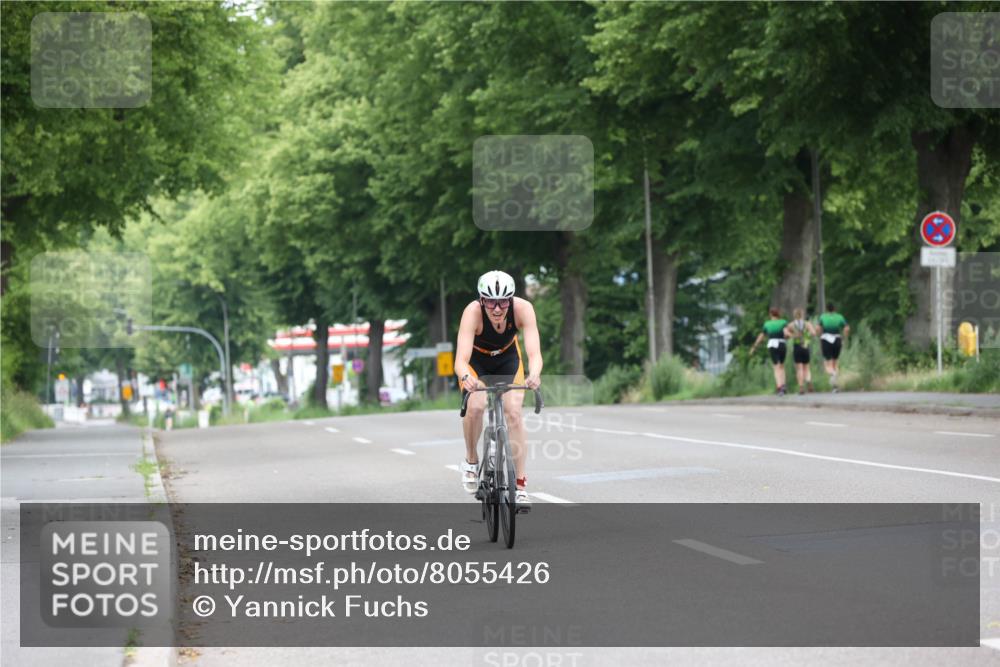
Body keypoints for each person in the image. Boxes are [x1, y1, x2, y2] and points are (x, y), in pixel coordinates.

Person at [454, 270, 543, 510]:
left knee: (513, 413)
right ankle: (471, 460)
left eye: (503, 301)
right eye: (490, 302)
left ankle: (521, 486)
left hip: (508, 359)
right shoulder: (472, 313)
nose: (496, 308)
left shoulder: (523, 309)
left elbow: (534, 353)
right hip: (477, 362)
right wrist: (465, 377)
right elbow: (460, 360)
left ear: (511, 299)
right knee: (476, 406)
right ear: (481, 300)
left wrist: (534, 374)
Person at [750, 307, 788, 396]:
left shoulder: (767, 324)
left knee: (776, 367)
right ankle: (783, 385)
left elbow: (761, 336)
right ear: (778, 314)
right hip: (782, 344)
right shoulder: (783, 322)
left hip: (772, 345)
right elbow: (786, 333)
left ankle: (779, 387)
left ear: (770, 314)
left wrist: (754, 346)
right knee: (782, 366)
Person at [818, 303, 850, 392]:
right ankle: (835, 386)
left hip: (826, 339)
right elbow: (847, 328)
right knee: (835, 362)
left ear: (827, 309)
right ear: (834, 308)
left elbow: (818, 328)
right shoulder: (840, 317)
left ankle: (833, 374)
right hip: (837, 339)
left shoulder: (823, 317)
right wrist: (844, 338)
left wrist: (820, 336)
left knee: (827, 364)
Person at [785, 308, 817, 395]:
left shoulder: (791, 325)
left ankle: (801, 387)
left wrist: (793, 335)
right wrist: (806, 335)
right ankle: (809, 382)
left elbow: (785, 334)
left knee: (799, 368)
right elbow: (814, 333)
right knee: (807, 367)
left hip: (797, 347)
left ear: (794, 315)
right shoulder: (807, 324)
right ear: (802, 314)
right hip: (805, 346)